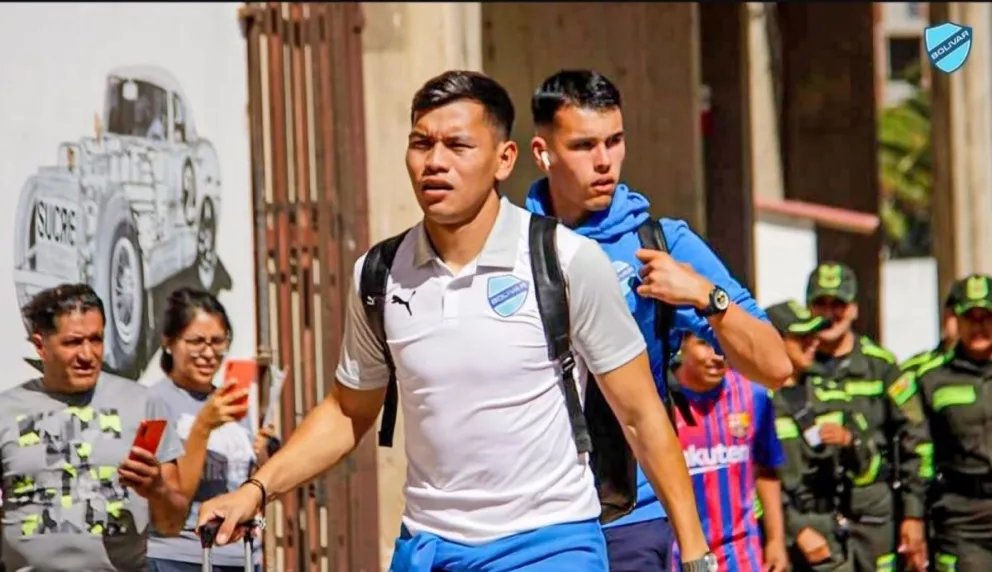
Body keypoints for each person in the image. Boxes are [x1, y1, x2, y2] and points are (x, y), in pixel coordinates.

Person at [195, 70, 714, 571]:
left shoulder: (566, 261)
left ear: (504, 159)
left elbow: (642, 416)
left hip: (550, 546)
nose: (434, 162)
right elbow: (349, 410)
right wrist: (257, 488)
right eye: (421, 144)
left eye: (458, 146)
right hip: (428, 548)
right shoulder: (379, 275)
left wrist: (694, 554)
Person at [522, 68, 792, 571]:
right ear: (543, 152)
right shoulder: (510, 246)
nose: (604, 161)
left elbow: (775, 365)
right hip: (532, 520)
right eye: (583, 146)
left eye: (614, 141)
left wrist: (704, 296)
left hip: (633, 516)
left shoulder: (661, 244)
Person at [0, 284, 189, 571]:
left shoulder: (143, 404)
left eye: (96, 339)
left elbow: (173, 523)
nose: (88, 355)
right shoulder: (5, 410)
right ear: (40, 346)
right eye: (73, 342)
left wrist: (158, 490)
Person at [805, 263, 931, 572]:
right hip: (815, 517)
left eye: (839, 304)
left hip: (874, 517)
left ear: (855, 309)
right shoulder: (794, 367)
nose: (829, 313)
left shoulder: (883, 367)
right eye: (821, 303)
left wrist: (913, 515)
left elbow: (916, 439)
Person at [147, 288, 276, 572]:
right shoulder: (150, 403)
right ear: (169, 342)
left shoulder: (229, 400)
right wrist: (202, 427)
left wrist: (263, 455)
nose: (208, 353)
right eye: (196, 342)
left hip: (242, 556)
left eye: (218, 342)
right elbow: (169, 499)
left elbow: (243, 486)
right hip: (178, 558)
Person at [765, 300, 877, 572]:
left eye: (813, 334)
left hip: (832, 538)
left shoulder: (831, 390)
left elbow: (868, 465)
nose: (813, 342)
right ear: (775, 339)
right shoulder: (755, 397)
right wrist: (795, 529)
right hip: (780, 542)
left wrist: (851, 441)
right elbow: (751, 482)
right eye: (801, 337)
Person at [670, 333, 788, 572]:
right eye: (704, 344)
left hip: (740, 551)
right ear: (682, 344)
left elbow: (766, 469)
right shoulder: (659, 401)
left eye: (723, 345)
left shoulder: (754, 395)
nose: (717, 356)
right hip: (676, 552)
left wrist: (776, 540)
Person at [914, 274, 992, 571]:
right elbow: (917, 451)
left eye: (986, 316)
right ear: (954, 320)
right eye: (970, 317)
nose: (979, 326)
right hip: (962, 518)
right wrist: (914, 516)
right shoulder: (931, 379)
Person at [901, 283, 964, 374]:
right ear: (945, 315)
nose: (974, 326)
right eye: (959, 314)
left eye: (984, 317)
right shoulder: (916, 370)